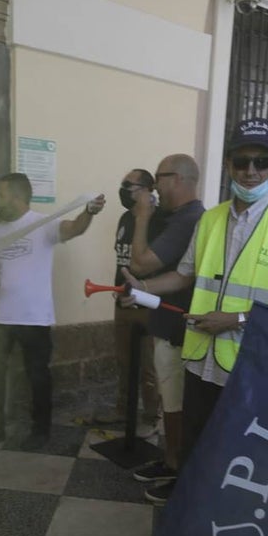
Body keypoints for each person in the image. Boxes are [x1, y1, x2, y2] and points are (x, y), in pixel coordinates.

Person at [123, 118, 268, 504]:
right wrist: (141, 288)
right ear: (228, 164)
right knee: (196, 441)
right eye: (242, 161)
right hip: (199, 358)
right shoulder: (210, 219)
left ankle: (222, 523)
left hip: (250, 363)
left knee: (239, 452)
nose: (250, 171)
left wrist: (237, 319)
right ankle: (186, 517)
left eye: (262, 161)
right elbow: (182, 276)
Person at [0, 174, 105, 451]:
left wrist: (89, 211)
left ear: (16, 196)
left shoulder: (43, 225)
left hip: (34, 318)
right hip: (0, 318)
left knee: (38, 377)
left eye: (0, 195)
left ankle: (40, 431)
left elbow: (75, 228)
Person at [124, 154, 205, 487]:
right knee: (170, 402)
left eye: (159, 177)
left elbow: (141, 264)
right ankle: (171, 460)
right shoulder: (175, 218)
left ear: (180, 179)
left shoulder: (189, 220)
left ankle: (179, 470)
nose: (154, 186)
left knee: (177, 404)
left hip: (179, 330)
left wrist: (142, 216)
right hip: (167, 325)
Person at [93, 169, 162, 430]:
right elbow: (122, 257)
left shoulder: (158, 221)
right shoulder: (124, 218)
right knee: (124, 361)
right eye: (122, 184)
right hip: (122, 300)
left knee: (147, 365)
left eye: (128, 185)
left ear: (146, 190)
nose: (123, 190)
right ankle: (123, 410)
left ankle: (151, 415)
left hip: (146, 303)